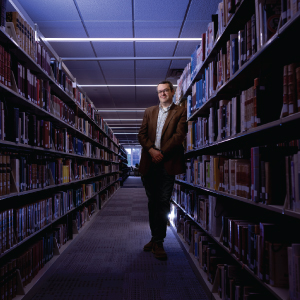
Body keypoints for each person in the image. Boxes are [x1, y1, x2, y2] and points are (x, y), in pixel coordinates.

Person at [138, 80, 187, 260]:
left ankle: (159, 242)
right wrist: (151, 150)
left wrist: (161, 153)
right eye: (160, 92)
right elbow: (141, 135)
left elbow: (178, 136)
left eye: (166, 91)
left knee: (163, 201)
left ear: (172, 92)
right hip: (149, 163)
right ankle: (154, 238)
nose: (163, 94)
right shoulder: (149, 112)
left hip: (167, 163)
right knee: (153, 202)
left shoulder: (180, 111)